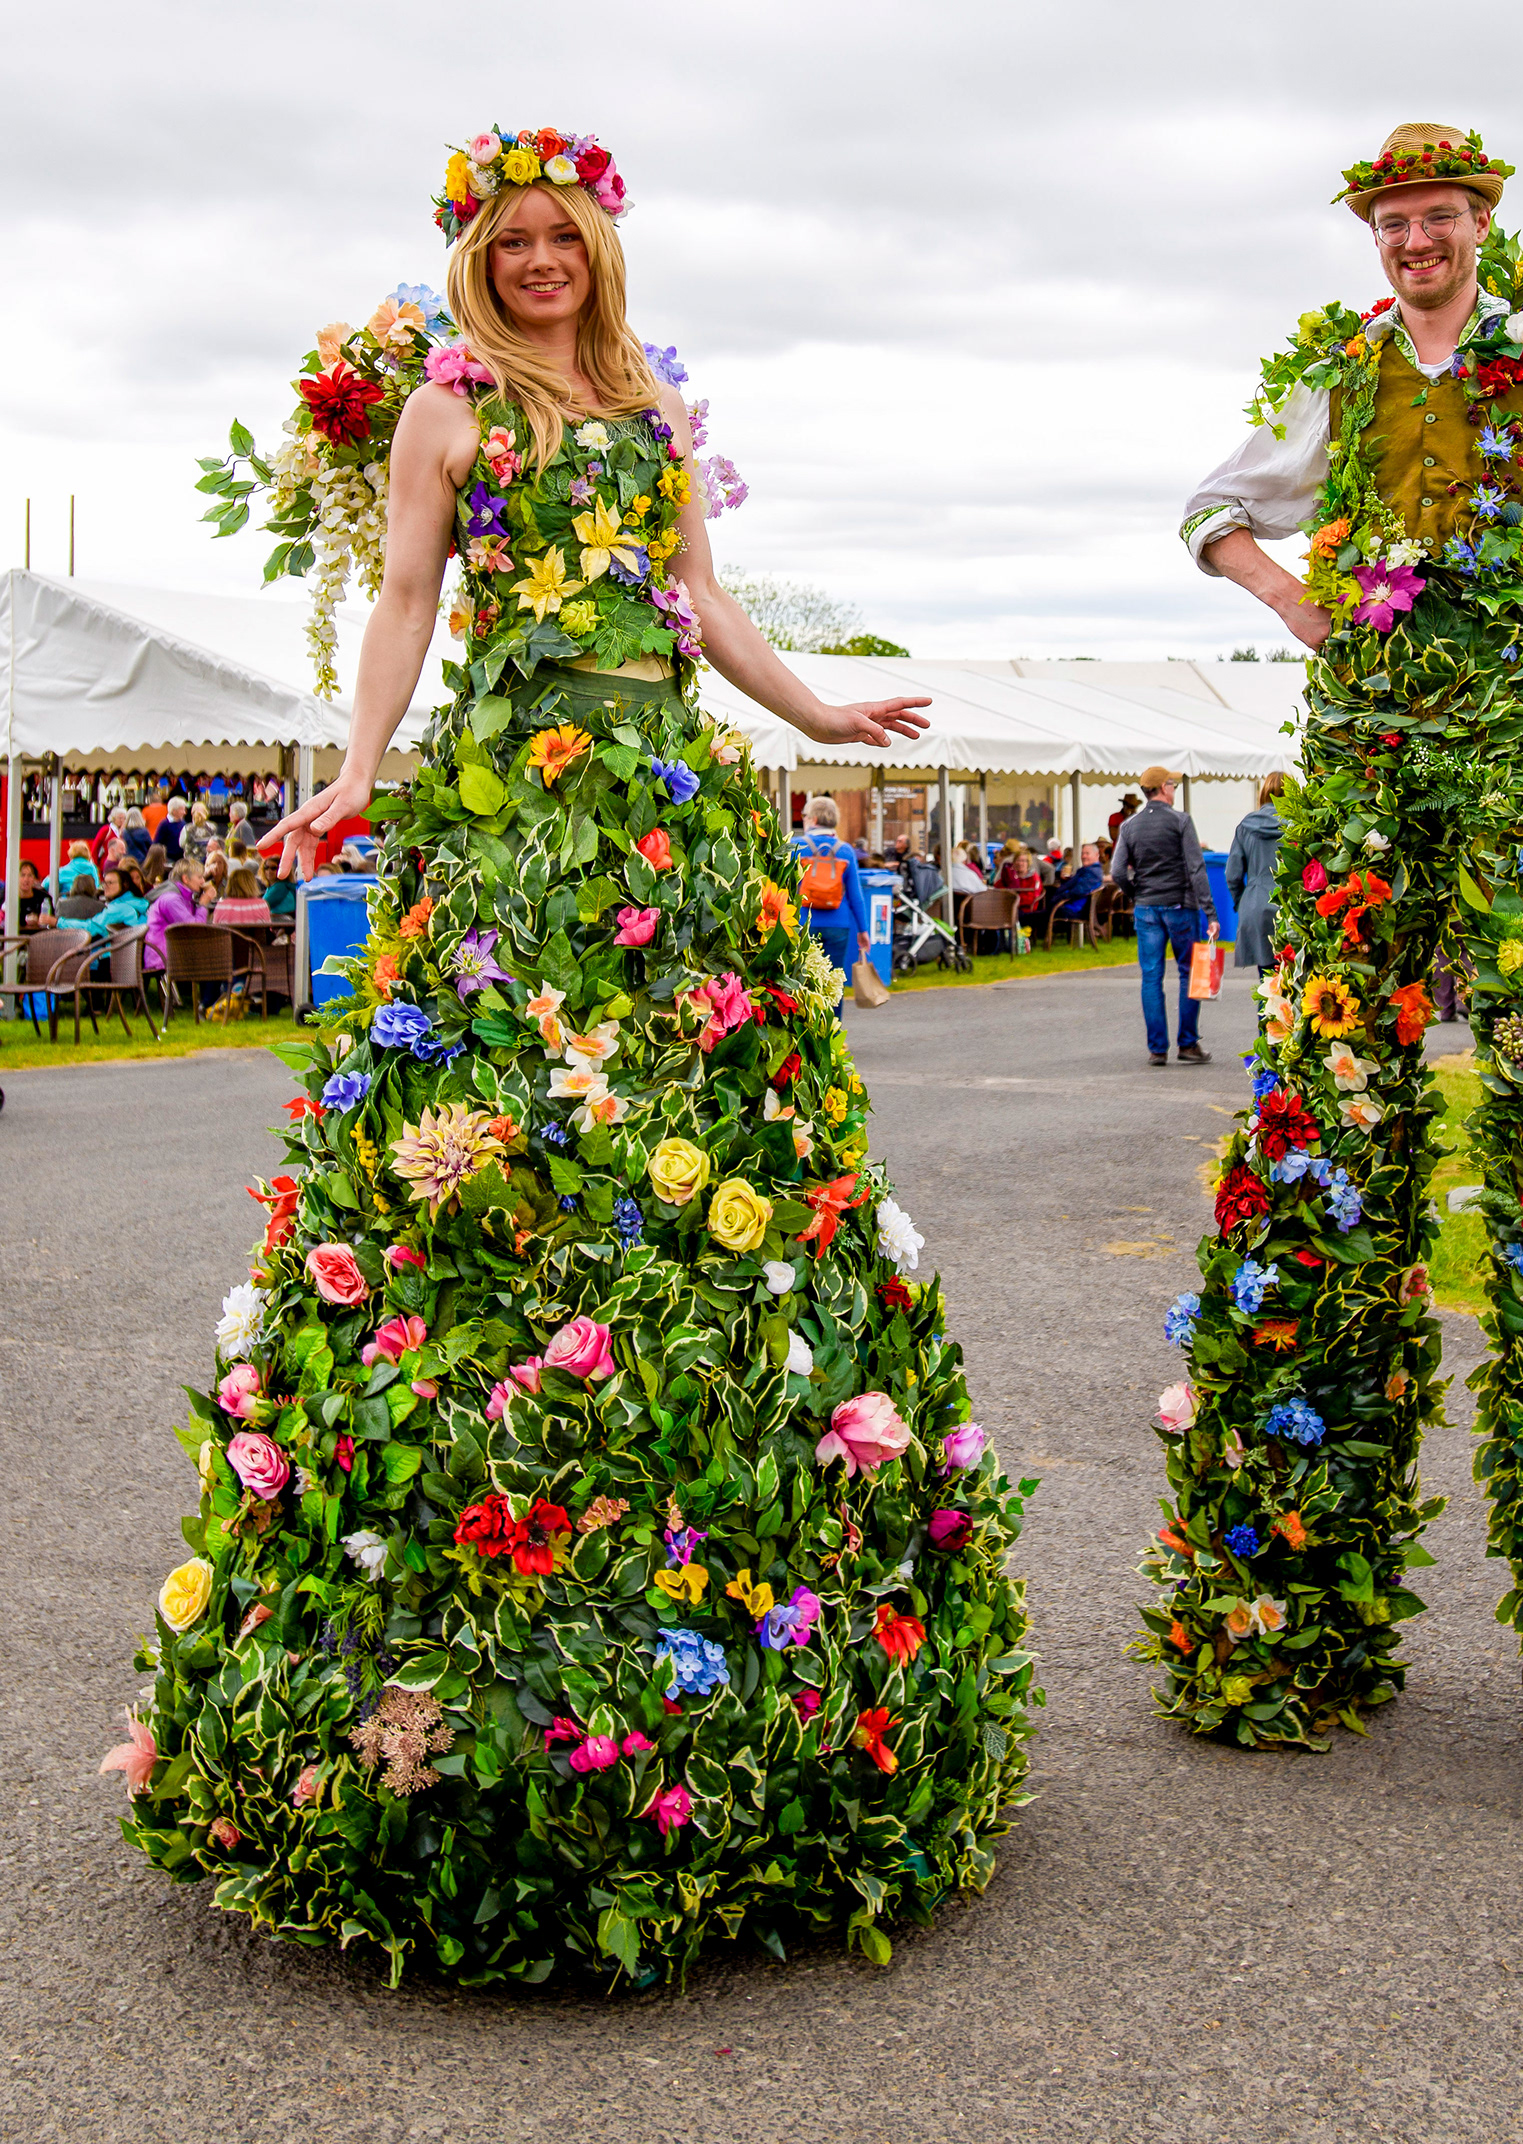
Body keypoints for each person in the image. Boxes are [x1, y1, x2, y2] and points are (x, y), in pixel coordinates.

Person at [113, 126, 1031, 1988]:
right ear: (478, 255)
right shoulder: (447, 410)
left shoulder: (650, 404)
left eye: (563, 235)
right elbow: (405, 599)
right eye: (512, 237)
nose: (541, 258)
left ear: (599, 248)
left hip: (668, 816)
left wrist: (821, 710)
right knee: (503, 1108)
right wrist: (358, 770)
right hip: (513, 812)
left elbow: (704, 606)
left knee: (701, 1101)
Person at [1156, 120, 1523, 1821]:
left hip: (1518, 738)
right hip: (1367, 746)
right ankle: (1289, 1604)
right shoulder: (1346, 379)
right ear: (1374, 239)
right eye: (1395, 223)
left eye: (1438, 219)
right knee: (1328, 1087)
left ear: (1481, 224)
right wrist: (1303, 603)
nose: (1416, 243)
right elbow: (1210, 506)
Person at [1110, 762, 1218, 1064]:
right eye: (1173, 785)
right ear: (1163, 788)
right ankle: (1188, 1044)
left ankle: (1157, 1048)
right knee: (1189, 973)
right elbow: (1196, 868)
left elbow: (1117, 871)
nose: (1174, 790)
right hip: (1180, 905)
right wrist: (1210, 912)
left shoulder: (1129, 826)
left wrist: (1136, 893)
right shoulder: (1181, 821)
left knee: (1151, 976)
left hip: (1146, 907)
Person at [791, 794, 872, 1008]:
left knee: (801, 982)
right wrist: (863, 930)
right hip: (838, 924)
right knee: (833, 982)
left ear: (814, 819)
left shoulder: (795, 846)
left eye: (805, 816)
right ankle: (833, 1026)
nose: (804, 819)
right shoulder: (845, 850)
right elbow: (855, 896)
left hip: (803, 922)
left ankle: (806, 1025)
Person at [1225, 771, 1288, 971]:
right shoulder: (1297, 825)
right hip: (1290, 907)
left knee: (1266, 979)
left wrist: (1241, 901)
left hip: (1256, 905)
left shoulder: (1246, 826)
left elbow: (1232, 875)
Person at [141, 858, 210, 978]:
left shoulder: (183, 898)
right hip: (164, 957)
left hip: (175, 953)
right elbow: (195, 928)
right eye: (199, 877)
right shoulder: (171, 899)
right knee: (215, 961)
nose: (203, 881)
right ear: (186, 879)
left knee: (216, 959)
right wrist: (203, 904)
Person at [1038, 842, 1105, 933]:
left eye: (1087, 853)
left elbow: (1079, 891)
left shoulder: (1093, 872)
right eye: (1082, 853)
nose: (1083, 856)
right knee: (1039, 910)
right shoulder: (1088, 870)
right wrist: (1065, 880)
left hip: (1074, 910)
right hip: (1069, 906)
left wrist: (1060, 897)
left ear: (1096, 855)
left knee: (1036, 914)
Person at [15, 858, 53, 932]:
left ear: (35, 879)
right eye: (22, 875)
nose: (26, 879)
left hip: (38, 935)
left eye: (30, 875)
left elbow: (51, 922)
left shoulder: (44, 898)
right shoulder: (6, 898)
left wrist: (41, 921)